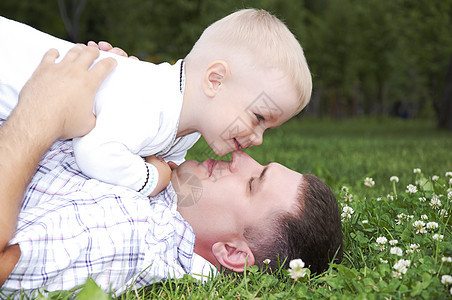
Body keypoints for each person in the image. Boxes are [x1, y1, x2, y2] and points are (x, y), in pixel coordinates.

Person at [0, 49, 340, 298]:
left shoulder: (131, 234)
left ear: (232, 252)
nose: (242, 157)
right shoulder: (159, 172)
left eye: (253, 183)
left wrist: (37, 117)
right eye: (260, 165)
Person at [0, 8, 312, 198]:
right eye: (258, 117)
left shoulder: (186, 128)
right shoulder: (151, 101)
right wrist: (152, 179)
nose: (257, 139)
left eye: (267, 129)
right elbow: (94, 153)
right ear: (215, 80)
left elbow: (169, 169)